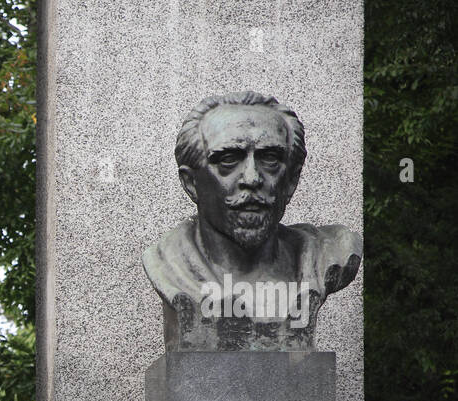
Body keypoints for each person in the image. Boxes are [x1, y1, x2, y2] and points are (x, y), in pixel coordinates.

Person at [143, 91, 362, 351]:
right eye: (228, 160)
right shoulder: (168, 267)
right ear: (191, 184)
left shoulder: (328, 255)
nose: (252, 178)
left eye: (270, 159)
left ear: (291, 181)